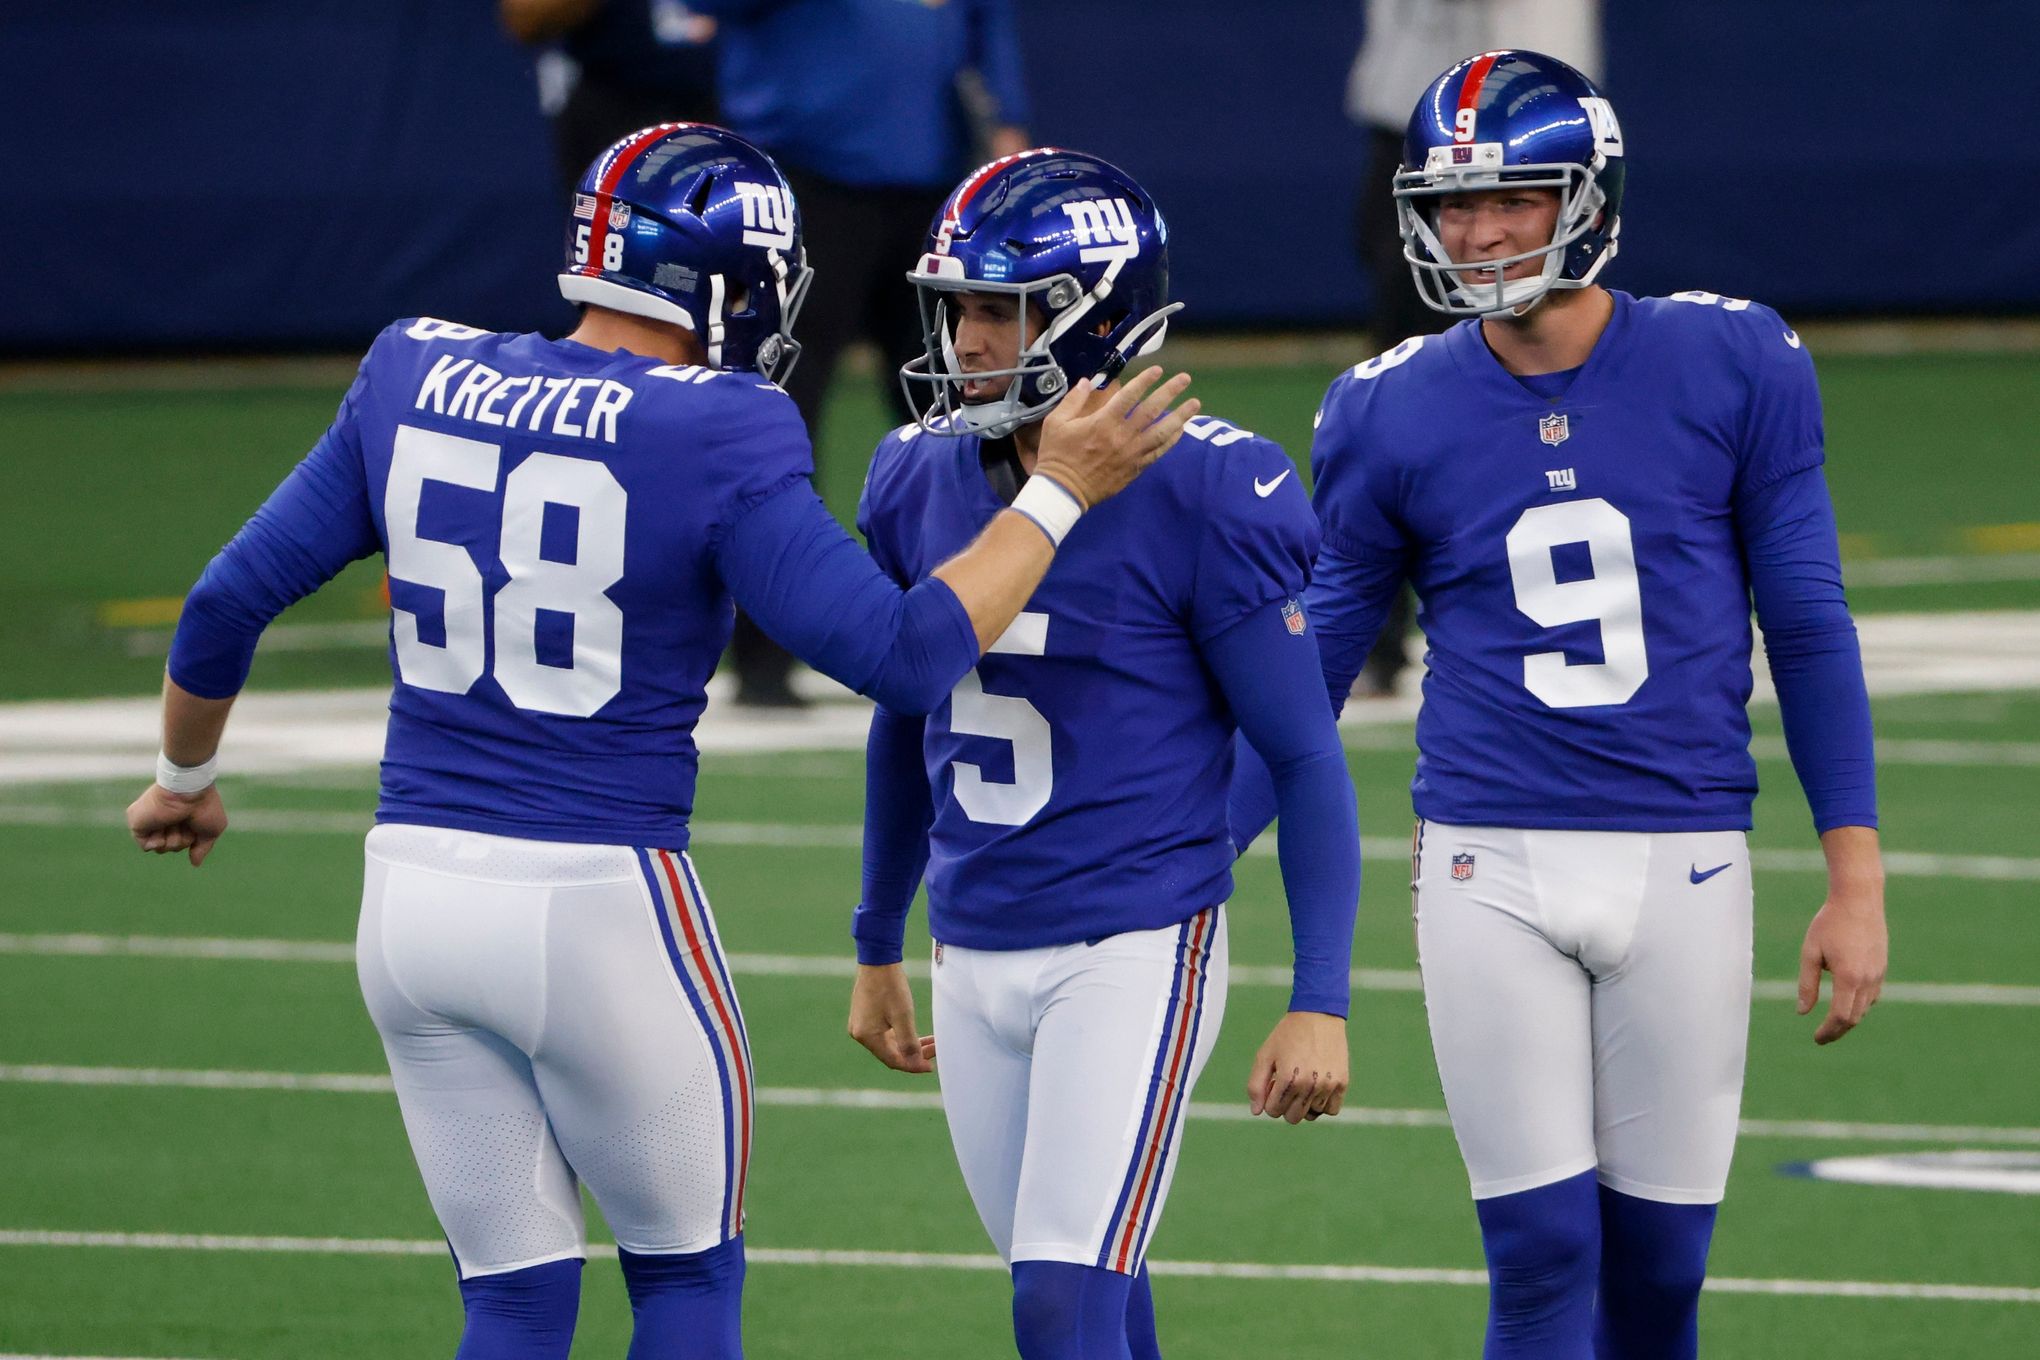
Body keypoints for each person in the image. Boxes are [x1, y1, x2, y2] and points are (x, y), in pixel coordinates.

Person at [123, 124, 1197, 1360]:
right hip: (597, 896)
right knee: (685, 1284)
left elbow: (222, 604)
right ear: (725, 283)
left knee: (513, 1300)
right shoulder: (717, 422)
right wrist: (1057, 492)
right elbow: (905, 657)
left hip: (410, 896)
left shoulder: (410, 368)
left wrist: (185, 779)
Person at [1231, 51, 1887, 1359]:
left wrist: (1853, 877)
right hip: (1491, 857)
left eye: (1513, 199)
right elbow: (1310, 672)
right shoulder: (1389, 405)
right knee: (1536, 1258)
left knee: (1661, 1277)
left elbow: (1807, 626)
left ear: (1586, 198)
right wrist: (1182, 855)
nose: (1476, 232)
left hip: (1684, 848)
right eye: (1453, 204)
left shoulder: (1733, 361)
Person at [847, 149, 1362, 1360]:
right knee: (1094, 1296)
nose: (968, 337)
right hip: (973, 939)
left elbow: (1301, 753)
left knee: (1059, 1298)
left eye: (1000, 308)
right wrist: (878, 936)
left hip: (1133, 938)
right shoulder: (918, 473)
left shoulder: (1209, 488)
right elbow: (902, 709)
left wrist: (1320, 995)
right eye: (960, 306)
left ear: (1100, 319)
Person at [688, 0, 1034, 706]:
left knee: (968, 407)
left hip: (931, 180)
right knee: (775, 413)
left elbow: (983, 22)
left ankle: (988, 617)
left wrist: (1007, 118)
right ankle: (762, 654)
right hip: (805, 175)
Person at [1344, 0, 1603, 698]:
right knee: (1401, 399)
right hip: (1415, 134)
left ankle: (1560, 594)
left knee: (1539, 371)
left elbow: (1546, 48)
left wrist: (1527, 171)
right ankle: (1376, 632)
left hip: (1517, 145)